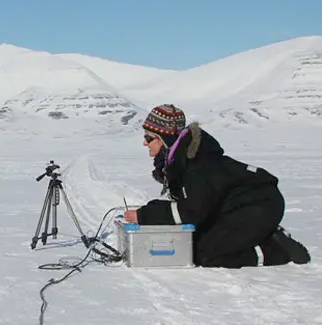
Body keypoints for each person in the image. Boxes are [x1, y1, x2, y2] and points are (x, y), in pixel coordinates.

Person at [122, 104, 310, 268]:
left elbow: (190, 212)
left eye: (149, 138)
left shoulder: (197, 166)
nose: (144, 143)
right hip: (235, 206)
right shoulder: (184, 161)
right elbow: (192, 205)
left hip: (258, 205)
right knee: (194, 242)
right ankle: (262, 235)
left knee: (205, 254)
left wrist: (144, 215)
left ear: (164, 140)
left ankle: (275, 249)